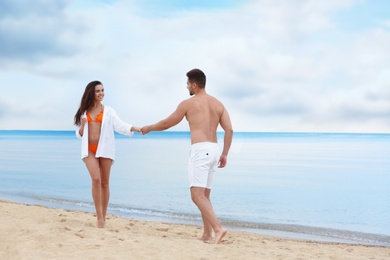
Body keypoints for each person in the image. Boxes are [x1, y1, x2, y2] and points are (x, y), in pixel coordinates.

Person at [141, 69, 233, 244]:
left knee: (196, 195)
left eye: (188, 84)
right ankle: (207, 234)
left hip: (200, 150)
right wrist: (225, 154)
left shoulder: (188, 103)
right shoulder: (218, 104)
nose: (187, 87)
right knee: (204, 195)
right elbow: (229, 130)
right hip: (214, 149)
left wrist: (149, 127)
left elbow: (168, 122)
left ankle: (218, 228)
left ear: (195, 85)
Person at [74, 80, 141, 228]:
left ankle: (104, 216)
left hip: (105, 149)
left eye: (102, 90)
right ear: (91, 92)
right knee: (96, 180)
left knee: (105, 183)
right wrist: (83, 126)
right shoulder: (83, 112)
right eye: (98, 91)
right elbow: (78, 134)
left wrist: (134, 128)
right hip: (89, 150)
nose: (101, 93)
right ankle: (99, 217)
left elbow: (119, 125)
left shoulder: (108, 111)